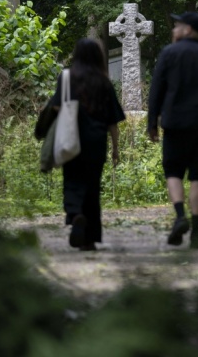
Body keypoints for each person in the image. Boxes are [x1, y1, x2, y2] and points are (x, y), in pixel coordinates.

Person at [147, 11, 198, 249]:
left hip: (175, 124)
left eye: (177, 26)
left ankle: (180, 216)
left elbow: (156, 91)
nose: (173, 30)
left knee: (173, 171)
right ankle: (195, 232)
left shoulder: (168, 54)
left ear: (188, 29)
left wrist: (152, 123)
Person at [46, 38, 125, 251]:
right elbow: (113, 121)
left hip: (71, 137)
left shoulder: (67, 79)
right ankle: (89, 239)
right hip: (96, 141)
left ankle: (75, 214)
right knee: (92, 187)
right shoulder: (103, 82)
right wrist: (116, 148)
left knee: (72, 179)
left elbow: (54, 108)